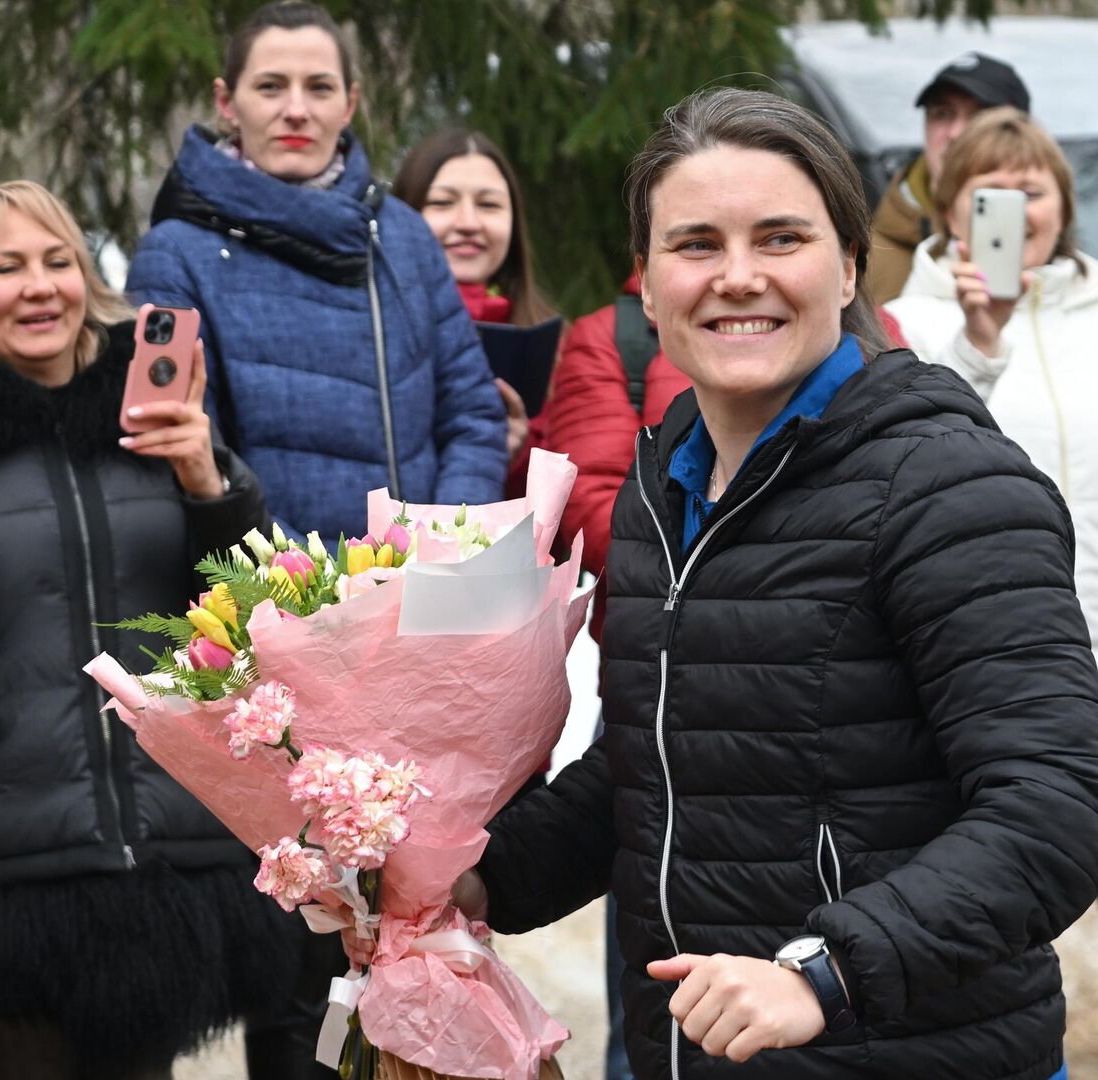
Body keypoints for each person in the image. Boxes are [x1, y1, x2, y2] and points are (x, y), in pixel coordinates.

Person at [460, 87, 1098, 1079]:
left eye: (782, 238)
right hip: (698, 1055)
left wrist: (825, 973)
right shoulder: (658, 485)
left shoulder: (949, 482)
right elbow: (651, 771)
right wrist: (473, 879)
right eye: (698, 243)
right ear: (651, 280)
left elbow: (1056, 805)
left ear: (849, 267)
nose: (738, 277)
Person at [0, 180, 288, 1079]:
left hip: (162, 846)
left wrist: (208, 482)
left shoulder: (159, 409)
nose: (39, 287)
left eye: (58, 262)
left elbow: (255, 610)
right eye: (6, 268)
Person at [126, 1, 505, 544]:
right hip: (269, 602)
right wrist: (314, 587)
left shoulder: (403, 236)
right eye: (271, 87)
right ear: (226, 102)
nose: (297, 110)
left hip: (426, 593)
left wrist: (442, 549)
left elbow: (472, 414)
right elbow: (185, 454)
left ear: (349, 103)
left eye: (320, 88)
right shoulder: (175, 255)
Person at [885, 106, 1098, 645]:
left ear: (1064, 208)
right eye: (991, 196)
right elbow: (911, 468)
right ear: (953, 214)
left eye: (1031, 193)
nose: (1016, 212)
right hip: (992, 636)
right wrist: (978, 345)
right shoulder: (905, 324)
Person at [394, 125, 557, 470]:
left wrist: (517, 456)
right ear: (402, 213)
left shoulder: (558, 349)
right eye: (442, 203)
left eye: (488, 204)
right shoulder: (368, 331)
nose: (468, 222)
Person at [867, 52, 1030, 304]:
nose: (955, 133)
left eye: (979, 116)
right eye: (942, 114)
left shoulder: (1050, 252)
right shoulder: (864, 258)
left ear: (1019, 134)